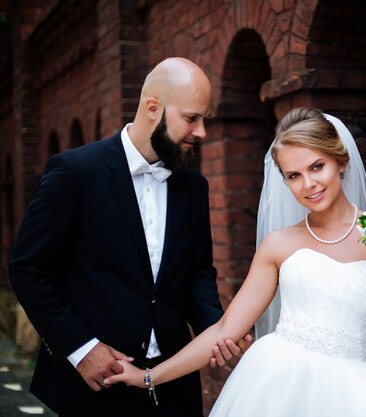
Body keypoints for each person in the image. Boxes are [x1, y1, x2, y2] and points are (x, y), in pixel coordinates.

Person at [106, 107, 366, 416]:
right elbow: (225, 329)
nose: (308, 184)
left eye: (317, 167)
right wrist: (148, 377)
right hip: (277, 385)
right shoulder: (278, 246)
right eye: (293, 176)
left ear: (341, 162)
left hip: (355, 396)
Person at [8, 57, 249, 417]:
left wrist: (218, 328)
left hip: (173, 384)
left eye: (204, 120)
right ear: (153, 107)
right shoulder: (75, 173)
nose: (201, 132)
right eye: (191, 118)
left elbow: (198, 272)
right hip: (92, 386)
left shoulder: (194, 186)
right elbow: (28, 268)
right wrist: (80, 349)